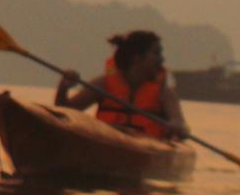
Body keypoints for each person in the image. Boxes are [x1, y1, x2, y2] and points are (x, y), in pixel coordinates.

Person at [54, 30, 190, 140]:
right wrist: (63, 87)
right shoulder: (103, 84)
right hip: (107, 141)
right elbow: (63, 113)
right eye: (156, 53)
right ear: (137, 58)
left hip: (148, 145)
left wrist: (178, 127)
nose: (162, 59)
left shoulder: (164, 93)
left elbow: (179, 123)